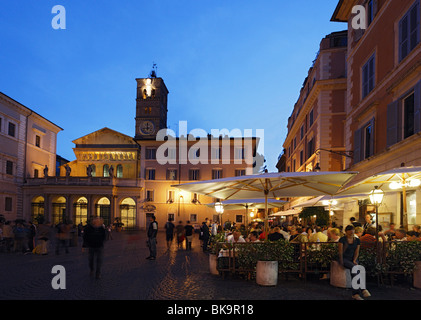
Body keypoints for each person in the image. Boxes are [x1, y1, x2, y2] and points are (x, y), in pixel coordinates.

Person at [338, 225, 371, 300]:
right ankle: (362, 289)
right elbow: (340, 252)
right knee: (355, 268)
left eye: (352, 232)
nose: (351, 233)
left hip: (352, 259)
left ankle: (355, 294)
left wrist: (354, 260)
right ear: (346, 232)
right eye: (349, 232)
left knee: (355, 271)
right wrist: (341, 262)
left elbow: (357, 251)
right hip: (345, 258)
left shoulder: (357, 240)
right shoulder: (342, 239)